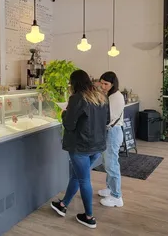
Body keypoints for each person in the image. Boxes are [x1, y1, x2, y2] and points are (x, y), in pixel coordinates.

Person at [50, 70, 108, 229]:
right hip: (97, 146)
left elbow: (69, 124)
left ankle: (89, 217)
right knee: (77, 176)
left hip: (81, 146)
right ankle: (63, 205)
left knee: (83, 179)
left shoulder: (77, 98)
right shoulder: (101, 97)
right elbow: (106, 120)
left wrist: (64, 113)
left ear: (74, 83)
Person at [98, 71, 125, 207]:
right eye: (101, 83)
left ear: (112, 84)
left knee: (112, 164)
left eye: (106, 84)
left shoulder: (115, 97)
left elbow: (107, 118)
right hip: (110, 132)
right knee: (107, 161)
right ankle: (110, 188)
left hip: (113, 132)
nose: (103, 86)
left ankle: (116, 196)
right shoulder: (110, 95)